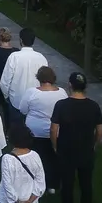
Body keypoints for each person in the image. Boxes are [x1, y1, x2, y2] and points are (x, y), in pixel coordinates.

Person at [51, 72, 102, 203]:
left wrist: (55, 146)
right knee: (86, 185)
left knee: (67, 185)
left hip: (66, 150)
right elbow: (100, 131)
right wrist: (94, 145)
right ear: (85, 87)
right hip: (86, 151)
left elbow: (54, 129)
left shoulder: (61, 105)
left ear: (70, 85)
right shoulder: (94, 106)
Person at [21, 65, 66, 195]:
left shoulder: (32, 92)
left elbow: (23, 109)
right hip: (55, 132)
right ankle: (52, 184)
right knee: (53, 159)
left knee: (36, 159)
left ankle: (35, 183)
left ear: (39, 78)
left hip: (35, 132)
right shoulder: (62, 93)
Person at [0, 124, 46, 203]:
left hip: (9, 202)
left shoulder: (7, 158)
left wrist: (18, 201)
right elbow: (40, 182)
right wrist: (29, 201)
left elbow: (7, 184)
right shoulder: (35, 155)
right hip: (30, 200)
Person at [0, 28, 47, 128]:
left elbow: (5, 81)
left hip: (16, 100)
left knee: (16, 130)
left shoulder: (14, 56)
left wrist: (6, 96)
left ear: (21, 40)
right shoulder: (42, 58)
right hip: (35, 101)